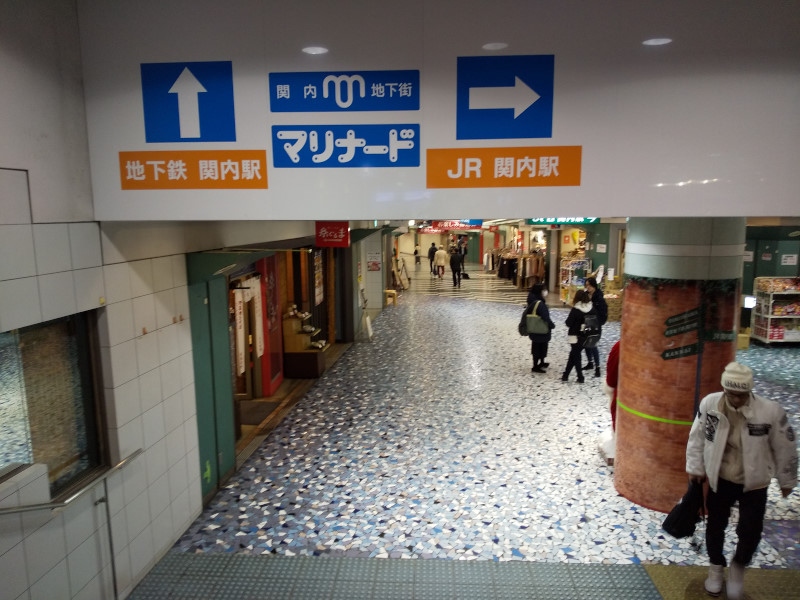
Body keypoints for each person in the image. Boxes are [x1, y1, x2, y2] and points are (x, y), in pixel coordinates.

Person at [686, 362, 797, 600]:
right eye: (731, 394)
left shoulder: (770, 412)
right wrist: (695, 467)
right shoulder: (711, 405)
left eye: (741, 395)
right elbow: (697, 437)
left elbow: (785, 447)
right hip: (721, 478)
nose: (736, 399)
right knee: (715, 526)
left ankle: (738, 567)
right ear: (724, 389)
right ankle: (716, 567)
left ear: (749, 391)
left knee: (751, 530)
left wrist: (786, 479)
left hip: (755, 483)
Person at [562, 289, 595, 383]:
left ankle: (580, 377)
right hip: (586, 335)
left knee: (576, 356)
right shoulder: (591, 308)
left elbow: (568, 323)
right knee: (573, 354)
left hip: (574, 336)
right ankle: (565, 375)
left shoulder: (576, 309)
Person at [525, 283, 555, 372]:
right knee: (540, 347)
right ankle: (536, 366)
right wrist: (551, 325)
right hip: (541, 329)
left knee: (537, 346)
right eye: (543, 290)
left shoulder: (532, 299)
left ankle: (540, 362)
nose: (545, 292)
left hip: (534, 328)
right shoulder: (539, 303)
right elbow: (545, 317)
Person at [582, 277, 608, 378]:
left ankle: (597, 367)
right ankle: (590, 362)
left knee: (593, 345)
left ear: (594, 285)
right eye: (586, 285)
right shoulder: (585, 295)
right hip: (586, 323)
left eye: (589, 285)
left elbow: (603, 312)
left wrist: (599, 322)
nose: (588, 287)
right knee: (586, 344)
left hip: (595, 324)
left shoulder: (599, 298)